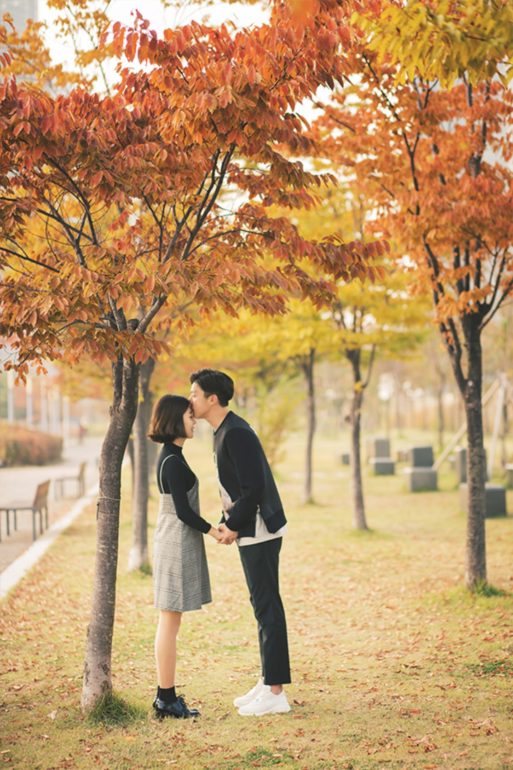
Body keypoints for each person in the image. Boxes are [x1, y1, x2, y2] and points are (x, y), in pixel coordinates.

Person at [189, 369, 291, 716]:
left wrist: (233, 525)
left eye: (195, 394)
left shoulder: (236, 433)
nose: (191, 400)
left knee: (267, 607)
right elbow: (236, 491)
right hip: (251, 528)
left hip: (260, 529)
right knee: (261, 605)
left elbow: (255, 490)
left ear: (212, 399)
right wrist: (226, 522)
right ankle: (268, 681)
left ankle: (276, 693)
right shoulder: (224, 432)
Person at [148, 394, 222, 719]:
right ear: (175, 419)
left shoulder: (171, 456)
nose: (194, 422)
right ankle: (166, 698)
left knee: (169, 621)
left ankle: (166, 695)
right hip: (175, 544)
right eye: (190, 417)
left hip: (173, 542)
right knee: (169, 621)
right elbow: (183, 513)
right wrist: (213, 530)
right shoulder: (172, 461)